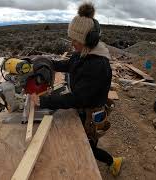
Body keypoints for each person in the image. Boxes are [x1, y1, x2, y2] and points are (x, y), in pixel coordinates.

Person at [30, 2, 123, 176]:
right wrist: (48, 63)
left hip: (90, 114)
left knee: (88, 146)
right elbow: (69, 64)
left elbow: (77, 98)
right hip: (82, 108)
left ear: (89, 40)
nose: (72, 43)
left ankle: (113, 161)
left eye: (75, 40)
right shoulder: (84, 53)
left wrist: (43, 101)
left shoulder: (98, 65)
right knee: (83, 142)